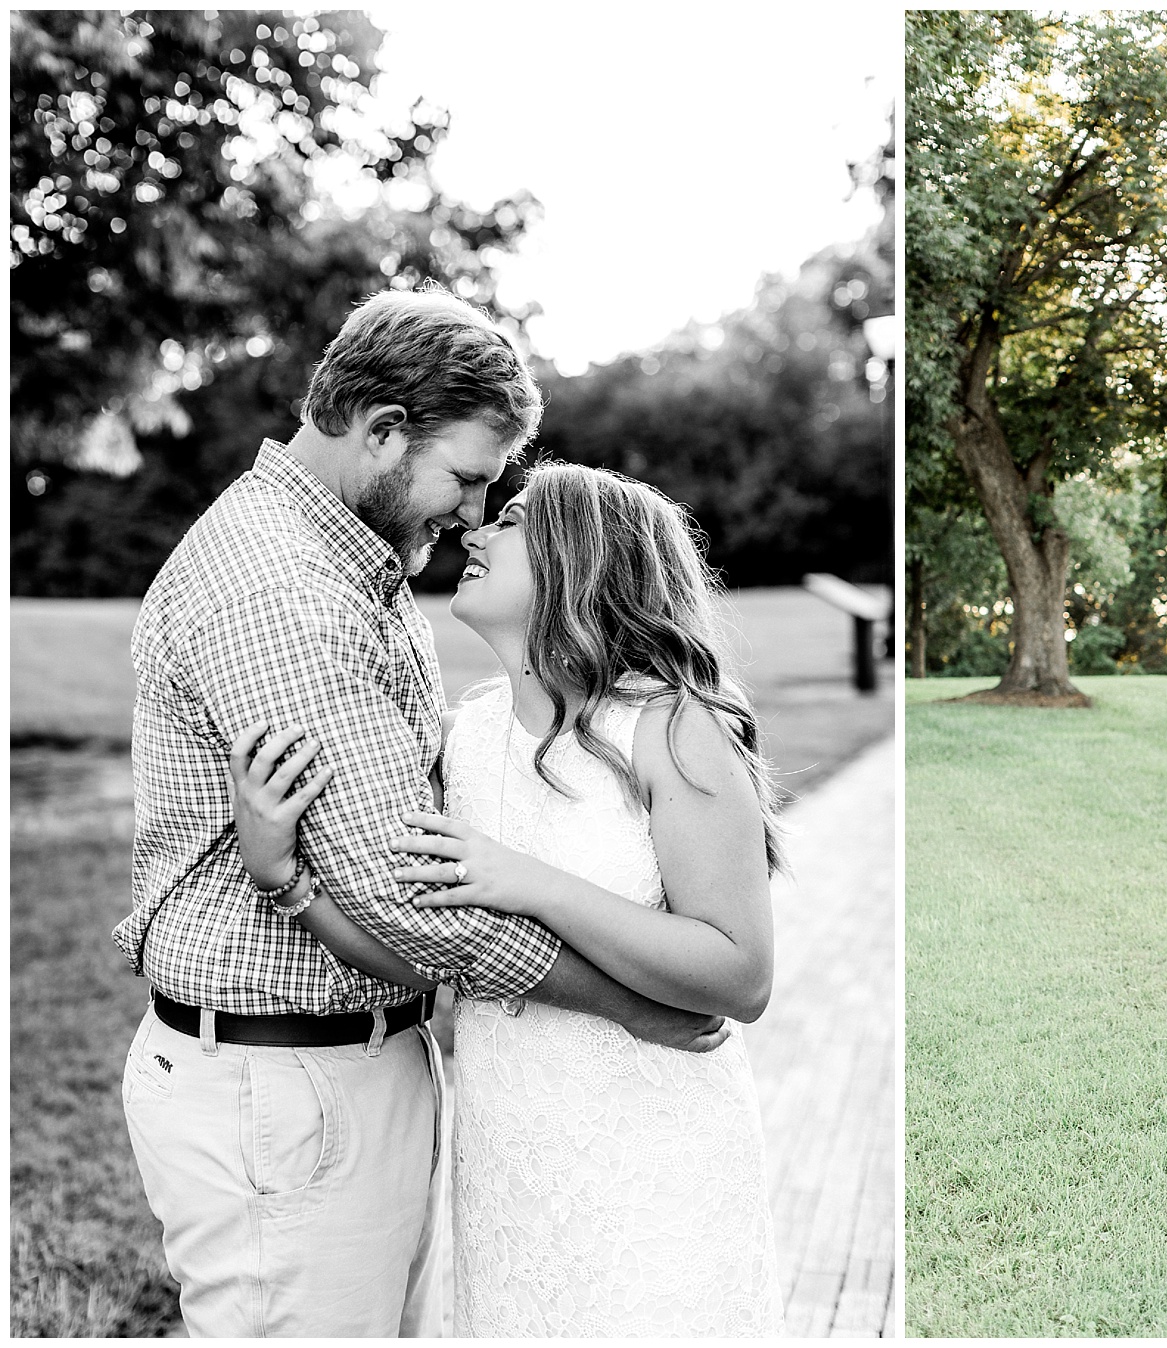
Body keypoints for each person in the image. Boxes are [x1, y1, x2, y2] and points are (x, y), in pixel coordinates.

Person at [116, 286, 726, 1338]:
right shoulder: (283, 590)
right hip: (285, 1084)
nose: (476, 516)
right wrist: (625, 1002)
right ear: (384, 432)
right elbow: (413, 894)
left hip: (347, 1064)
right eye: (469, 478)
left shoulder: (354, 558)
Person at [231, 462, 786, 1335]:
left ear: (584, 559)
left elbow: (740, 975)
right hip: (510, 1163)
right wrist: (285, 881)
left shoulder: (673, 727)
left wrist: (532, 884)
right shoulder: (471, 732)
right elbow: (430, 961)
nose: (475, 529)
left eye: (513, 520)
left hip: (655, 1160)